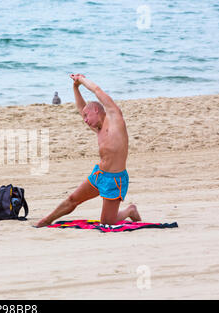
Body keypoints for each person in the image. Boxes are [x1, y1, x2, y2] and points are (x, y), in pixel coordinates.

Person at [35, 74, 140, 227]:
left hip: (115, 180)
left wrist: (81, 79)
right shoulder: (98, 129)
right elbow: (80, 108)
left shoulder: (115, 119)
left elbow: (97, 90)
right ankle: (45, 221)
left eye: (86, 116)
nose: (84, 120)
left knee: (107, 222)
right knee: (72, 199)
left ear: (96, 110)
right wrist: (75, 87)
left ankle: (130, 210)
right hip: (99, 175)